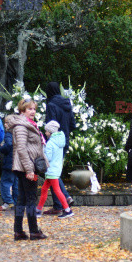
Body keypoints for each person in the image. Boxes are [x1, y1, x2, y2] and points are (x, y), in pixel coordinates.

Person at [5, 99, 47, 240]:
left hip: (27, 167)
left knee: (22, 198)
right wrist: (29, 170)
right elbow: (21, 149)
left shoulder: (29, 125)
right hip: (26, 169)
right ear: (22, 111)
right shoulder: (21, 126)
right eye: (29, 109)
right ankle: (34, 231)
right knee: (30, 198)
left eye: (34, 109)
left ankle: (18, 231)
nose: (33, 112)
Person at [43, 82, 76, 215]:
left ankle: (65, 197)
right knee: (54, 169)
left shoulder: (51, 105)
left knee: (52, 170)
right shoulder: (67, 104)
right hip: (64, 140)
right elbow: (73, 124)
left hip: (54, 140)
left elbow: (51, 125)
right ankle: (58, 205)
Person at [36, 120, 73, 218]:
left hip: (51, 170)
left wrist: (43, 150)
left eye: (47, 131)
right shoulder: (59, 140)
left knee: (57, 191)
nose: (45, 132)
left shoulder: (51, 143)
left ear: (51, 132)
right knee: (44, 189)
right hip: (55, 169)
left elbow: (48, 158)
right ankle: (38, 210)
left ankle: (67, 210)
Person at [0, 123, 18, 210]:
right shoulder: (19, 132)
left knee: (5, 182)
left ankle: (8, 201)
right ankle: (16, 202)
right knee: (16, 183)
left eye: (6, 123)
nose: (4, 124)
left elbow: (9, 145)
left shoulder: (9, 133)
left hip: (9, 162)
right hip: (18, 162)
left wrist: (2, 148)